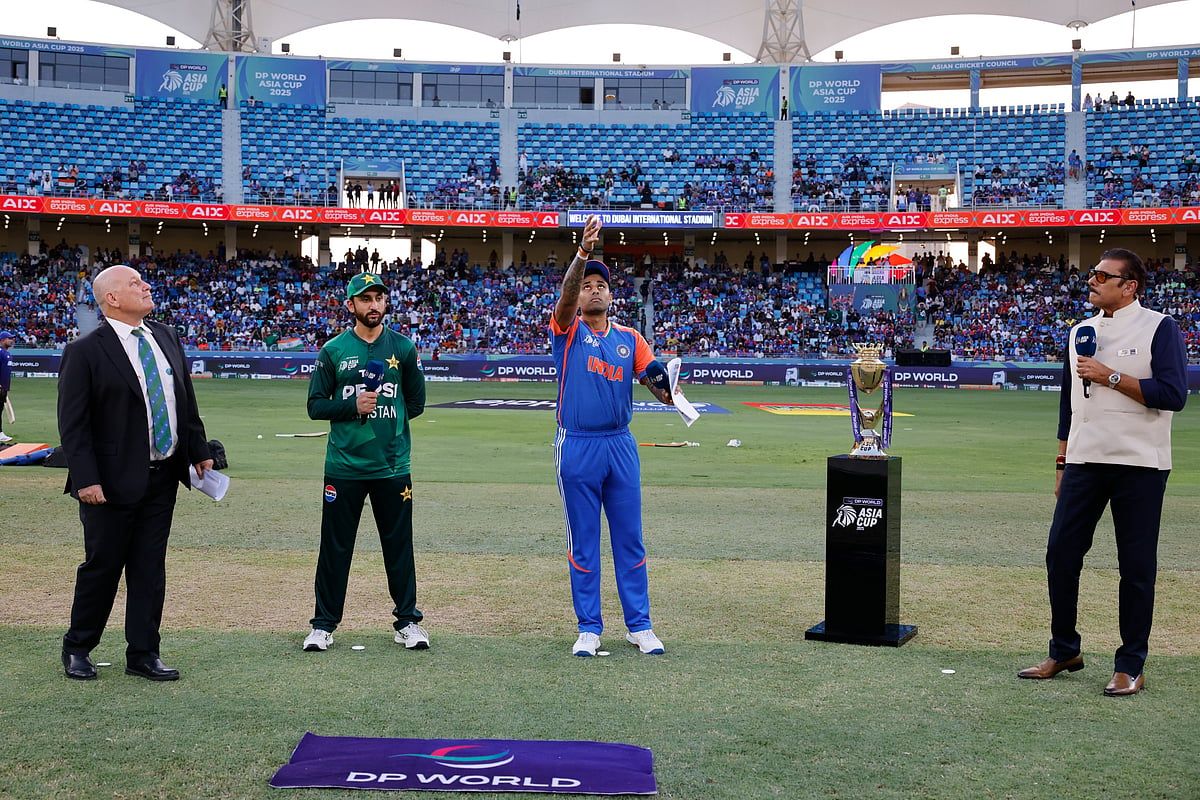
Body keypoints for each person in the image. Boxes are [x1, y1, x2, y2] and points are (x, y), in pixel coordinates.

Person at [1019, 249, 1187, 696]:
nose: (1091, 280)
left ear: (1129, 286)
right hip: (1083, 461)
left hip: (1140, 464)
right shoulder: (1080, 331)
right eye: (1092, 273)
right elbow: (1067, 405)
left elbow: (1174, 394)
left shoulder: (1160, 327)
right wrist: (1061, 462)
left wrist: (1110, 376)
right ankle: (1064, 650)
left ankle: (1130, 664)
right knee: (1060, 554)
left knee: (1136, 567)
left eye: (1101, 275)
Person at [57, 265, 213, 681]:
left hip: (163, 476)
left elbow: (184, 400)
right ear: (111, 298)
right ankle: (78, 647)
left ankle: (143, 653)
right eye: (134, 283)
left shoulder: (165, 336)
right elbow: (73, 425)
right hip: (109, 481)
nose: (145, 286)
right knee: (103, 566)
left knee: (149, 568)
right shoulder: (85, 351)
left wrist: (198, 449)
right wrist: (86, 478)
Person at [550, 215, 674, 658]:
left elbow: (656, 386)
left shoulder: (630, 338)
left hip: (620, 444)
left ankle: (640, 626)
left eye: (601, 285)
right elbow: (566, 299)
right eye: (587, 285)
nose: (594, 290)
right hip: (577, 444)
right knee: (583, 542)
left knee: (630, 540)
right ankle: (589, 627)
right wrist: (583, 253)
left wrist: (669, 389)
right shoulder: (567, 330)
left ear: (611, 294)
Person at [303, 272, 429, 653]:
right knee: (335, 548)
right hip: (344, 466)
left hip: (392, 466)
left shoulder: (403, 348)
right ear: (351, 305)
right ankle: (323, 625)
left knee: (399, 547)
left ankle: (407, 622)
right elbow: (315, 406)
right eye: (365, 299)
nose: (373, 305)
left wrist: (388, 423)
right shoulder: (334, 351)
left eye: (378, 298)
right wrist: (352, 406)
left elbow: (416, 402)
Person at [0, 329, 13, 443]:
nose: (11, 340)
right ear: (3, 340)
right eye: (9, 338)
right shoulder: (0, 352)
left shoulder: (7, 353)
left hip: (4, 388)